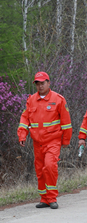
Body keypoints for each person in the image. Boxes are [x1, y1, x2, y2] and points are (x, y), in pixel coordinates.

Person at [17, 72, 72, 209]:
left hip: (52, 141)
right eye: (37, 83)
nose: (40, 86)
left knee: (50, 166)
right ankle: (44, 199)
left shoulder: (58, 99)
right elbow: (25, 119)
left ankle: (52, 198)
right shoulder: (31, 100)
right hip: (37, 143)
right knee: (40, 171)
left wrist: (66, 140)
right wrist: (22, 135)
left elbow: (66, 123)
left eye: (42, 83)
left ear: (48, 83)